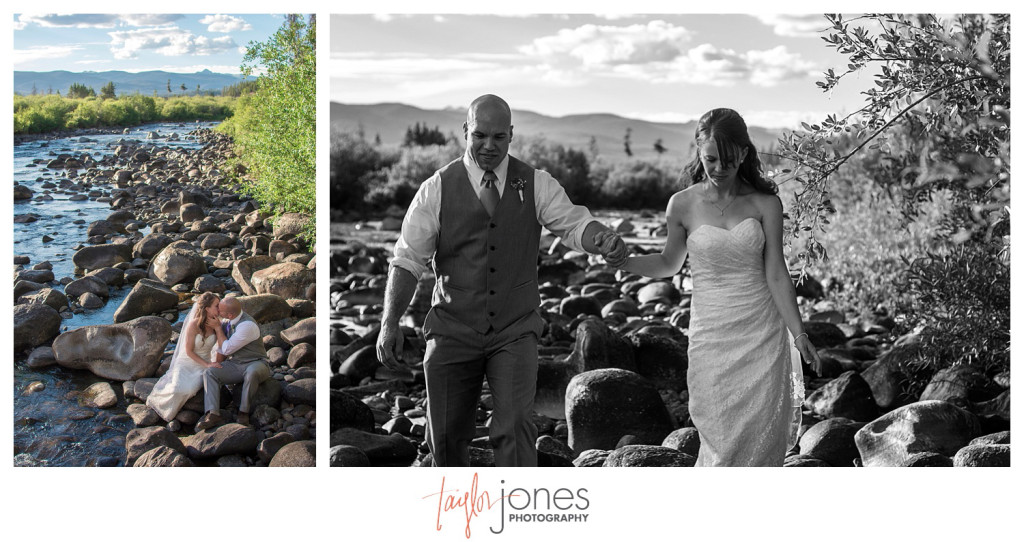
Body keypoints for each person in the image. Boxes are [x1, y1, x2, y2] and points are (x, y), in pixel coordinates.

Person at [376, 94, 627, 467]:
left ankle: (516, 509)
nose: (489, 146)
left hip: (515, 327)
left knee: (514, 427)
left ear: (511, 135)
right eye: (480, 136)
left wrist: (602, 238)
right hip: (452, 327)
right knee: (444, 436)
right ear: (465, 131)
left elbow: (573, 224)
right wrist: (389, 322)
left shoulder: (537, 183)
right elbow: (408, 260)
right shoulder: (437, 188)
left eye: (498, 137)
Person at [608, 108, 823, 466]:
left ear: (743, 152)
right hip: (711, 334)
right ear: (698, 150)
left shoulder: (766, 204)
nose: (719, 168)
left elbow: (776, 274)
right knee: (719, 432)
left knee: (760, 435)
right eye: (710, 158)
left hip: (761, 335)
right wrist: (625, 262)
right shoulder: (682, 204)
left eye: (728, 159)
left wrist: (799, 335)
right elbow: (669, 263)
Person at [194, 296, 272, 430]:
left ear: (230, 314)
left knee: (251, 373)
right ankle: (212, 413)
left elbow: (227, 348)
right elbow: (221, 348)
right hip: (236, 364)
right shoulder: (226, 321)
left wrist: (218, 329)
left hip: (257, 363)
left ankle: (243, 412)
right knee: (210, 372)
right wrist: (218, 366)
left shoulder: (247, 325)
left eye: (220, 309)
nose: (218, 311)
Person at [147, 292, 223, 423]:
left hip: (204, 363)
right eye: (216, 306)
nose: (219, 308)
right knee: (177, 388)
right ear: (207, 308)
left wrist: (218, 328)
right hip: (188, 361)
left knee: (190, 389)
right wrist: (207, 365)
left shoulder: (218, 323)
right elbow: (188, 351)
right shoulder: (193, 324)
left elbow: (223, 346)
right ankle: (161, 409)